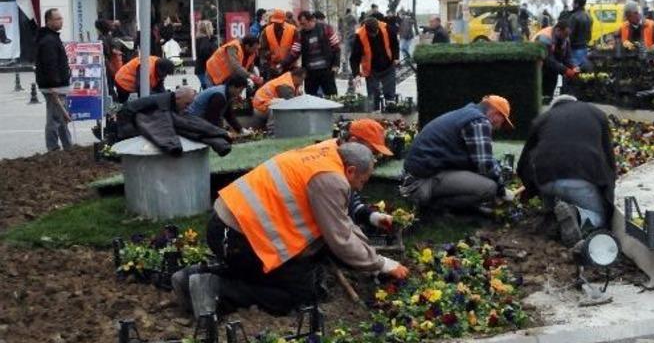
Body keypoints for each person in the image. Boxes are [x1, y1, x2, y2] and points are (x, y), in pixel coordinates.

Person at [173, 142, 409, 317]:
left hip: (229, 228)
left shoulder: (325, 154)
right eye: (363, 181)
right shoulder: (330, 180)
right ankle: (215, 288)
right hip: (236, 238)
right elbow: (340, 237)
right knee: (295, 296)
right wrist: (382, 264)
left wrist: (372, 252)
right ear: (351, 170)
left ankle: (196, 276)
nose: (360, 187)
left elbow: (343, 222)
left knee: (290, 273)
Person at [517, 96, 616, 246]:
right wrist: (609, 188)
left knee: (555, 201)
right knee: (598, 216)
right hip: (581, 179)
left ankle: (552, 216)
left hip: (546, 181)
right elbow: (608, 156)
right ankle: (578, 216)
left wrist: (532, 189)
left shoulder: (542, 119)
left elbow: (524, 161)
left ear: (553, 107)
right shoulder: (596, 113)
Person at [401, 95, 516, 212]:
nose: (500, 126)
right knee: (490, 188)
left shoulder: (467, 114)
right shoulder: (479, 122)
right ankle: (435, 208)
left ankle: (464, 206)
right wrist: (502, 191)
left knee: (480, 177)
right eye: (502, 121)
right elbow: (485, 165)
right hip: (419, 185)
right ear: (496, 113)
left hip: (415, 178)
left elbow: (479, 158)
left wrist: (497, 167)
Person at [35, 9, 72, 152]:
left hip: (57, 85)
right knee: (55, 118)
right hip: (53, 87)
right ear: (48, 21)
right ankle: (53, 148)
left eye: (61, 18)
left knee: (61, 118)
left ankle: (68, 146)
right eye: (57, 19)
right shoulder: (49, 40)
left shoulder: (52, 37)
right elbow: (50, 64)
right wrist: (53, 85)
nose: (60, 21)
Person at [350, 17, 400, 111]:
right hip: (371, 69)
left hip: (388, 65)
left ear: (378, 27)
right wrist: (356, 74)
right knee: (373, 95)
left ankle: (390, 108)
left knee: (389, 92)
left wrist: (396, 57)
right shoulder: (359, 35)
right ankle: (375, 111)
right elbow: (354, 58)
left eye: (375, 32)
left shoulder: (386, 28)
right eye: (371, 34)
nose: (374, 35)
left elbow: (395, 43)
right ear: (366, 29)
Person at [295, 10, 340, 97]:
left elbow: (336, 48)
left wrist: (336, 64)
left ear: (311, 20)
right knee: (310, 97)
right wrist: (283, 64)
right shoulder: (301, 34)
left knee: (331, 95)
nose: (302, 26)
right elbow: (295, 52)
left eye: (304, 23)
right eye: (301, 24)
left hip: (327, 69)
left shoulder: (326, 28)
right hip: (310, 72)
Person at [532, 20, 578, 99]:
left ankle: (548, 98)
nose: (566, 37)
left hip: (552, 68)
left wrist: (573, 66)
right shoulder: (544, 38)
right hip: (539, 67)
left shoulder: (565, 38)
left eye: (568, 35)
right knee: (539, 90)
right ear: (558, 30)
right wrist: (565, 70)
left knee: (550, 89)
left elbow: (567, 56)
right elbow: (548, 60)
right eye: (565, 34)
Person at [259, 9, 298, 79]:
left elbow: (296, 50)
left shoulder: (293, 30)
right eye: (275, 22)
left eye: (279, 22)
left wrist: (283, 64)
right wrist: (268, 55)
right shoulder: (266, 31)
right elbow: (262, 49)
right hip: (273, 68)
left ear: (284, 20)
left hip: (290, 66)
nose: (277, 24)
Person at [568, 0, 592, 68]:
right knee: (583, 73)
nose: (572, 4)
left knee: (574, 72)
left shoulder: (574, 17)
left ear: (577, 4)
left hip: (574, 50)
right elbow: (589, 36)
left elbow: (570, 36)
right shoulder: (589, 16)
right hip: (584, 48)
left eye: (573, 2)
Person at [194, 20, 217, 89]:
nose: (213, 29)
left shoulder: (201, 39)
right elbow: (205, 52)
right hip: (204, 69)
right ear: (208, 29)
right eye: (212, 27)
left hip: (202, 69)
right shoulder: (205, 40)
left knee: (207, 87)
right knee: (209, 88)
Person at [339, 8, 358, 73]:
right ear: (350, 11)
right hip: (352, 36)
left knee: (345, 54)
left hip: (345, 38)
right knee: (353, 54)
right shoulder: (352, 17)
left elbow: (340, 28)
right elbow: (356, 23)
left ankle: (345, 69)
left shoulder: (342, 18)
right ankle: (354, 69)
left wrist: (341, 36)